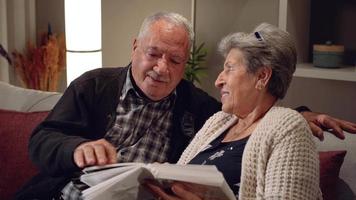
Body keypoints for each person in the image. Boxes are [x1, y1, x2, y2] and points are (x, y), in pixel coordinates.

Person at [16, 12, 356, 200]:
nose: (162, 68)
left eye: (175, 59)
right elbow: (42, 139)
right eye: (153, 54)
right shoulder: (94, 85)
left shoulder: (201, 108)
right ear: (135, 47)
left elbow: (264, 117)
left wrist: (299, 115)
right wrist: (78, 149)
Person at [146, 23, 322, 200]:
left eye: (229, 68)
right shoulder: (218, 121)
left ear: (262, 76)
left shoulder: (289, 129)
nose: (218, 81)